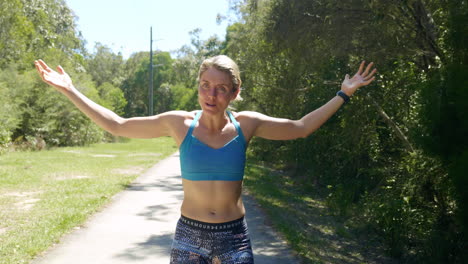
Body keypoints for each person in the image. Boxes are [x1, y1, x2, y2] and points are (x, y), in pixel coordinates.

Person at [34, 55, 376, 263]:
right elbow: (118, 125)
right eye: (204, 85)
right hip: (189, 235)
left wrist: (343, 94)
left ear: (235, 91)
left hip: (234, 238)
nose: (211, 95)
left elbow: (300, 127)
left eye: (221, 88)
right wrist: (69, 89)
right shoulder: (179, 124)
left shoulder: (247, 124)